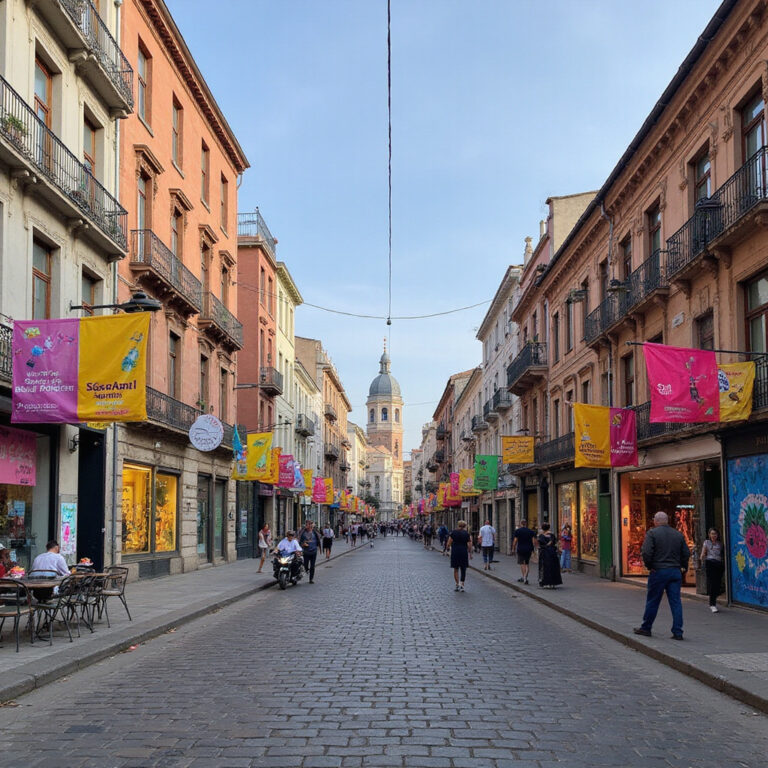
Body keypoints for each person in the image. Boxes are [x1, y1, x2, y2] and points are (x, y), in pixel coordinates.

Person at [634, 511, 690, 640]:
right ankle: (678, 631)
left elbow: (646, 552)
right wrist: (683, 567)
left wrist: (650, 566)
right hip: (674, 571)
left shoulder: (652, 533)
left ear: (656, 521)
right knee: (676, 602)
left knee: (653, 600)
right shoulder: (678, 534)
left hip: (659, 571)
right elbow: (686, 553)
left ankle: (646, 627)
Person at [700, 528, 725, 613]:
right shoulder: (706, 542)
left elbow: (722, 554)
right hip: (710, 563)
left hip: (719, 564)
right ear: (709, 535)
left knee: (717, 584)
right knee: (712, 584)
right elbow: (703, 552)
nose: (714, 535)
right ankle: (712, 604)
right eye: (712, 534)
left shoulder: (720, 544)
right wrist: (702, 557)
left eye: (715, 534)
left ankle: (714, 598)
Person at [447, 520, 472, 592]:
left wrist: (448, 548)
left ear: (458, 525)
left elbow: (449, 543)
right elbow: (469, 544)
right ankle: (462, 585)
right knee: (463, 569)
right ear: (464, 526)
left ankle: (457, 584)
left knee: (456, 569)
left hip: (455, 552)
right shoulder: (466, 534)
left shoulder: (453, 532)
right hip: (463, 552)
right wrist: (470, 552)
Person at [537, 523, 563, 588]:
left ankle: (546, 583)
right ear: (549, 528)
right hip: (552, 553)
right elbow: (555, 543)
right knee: (553, 567)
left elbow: (540, 545)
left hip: (544, 553)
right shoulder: (552, 535)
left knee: (545, 568)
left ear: (542, 528)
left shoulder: (541, 536)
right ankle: (553, 583)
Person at [511, 519, 537, 585]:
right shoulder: (531, 531)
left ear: (521, 524)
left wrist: (513, 549)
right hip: (529, 549)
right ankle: (525, 577)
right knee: (527, 564)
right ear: (526, 524)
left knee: (522, 563)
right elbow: (534, 542)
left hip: (521, 549)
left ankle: (524, 577)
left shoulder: (518, 531)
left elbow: (515, 541)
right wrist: (534, 550)